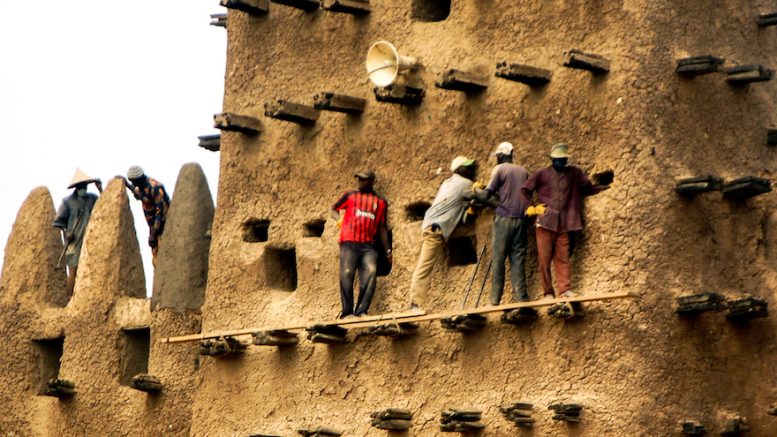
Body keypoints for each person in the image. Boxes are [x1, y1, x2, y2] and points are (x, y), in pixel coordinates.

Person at [521, 143, 610, 299]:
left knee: (563, 257)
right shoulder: (542, 174)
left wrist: (603, 187)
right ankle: (548, 292)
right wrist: (532, 207)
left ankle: (565, 290)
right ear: (552, 159)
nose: (559, 162)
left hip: (564, 224)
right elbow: (524, 191)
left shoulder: (574, 173)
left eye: (562, 159)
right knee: (544, 260)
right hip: (545, 222)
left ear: (566, 160)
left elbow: (587, 187)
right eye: (556, 159)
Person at [409, 156, 491, 311]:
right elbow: (485, 197)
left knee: (476, 228)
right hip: (436, 229)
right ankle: (415, 304)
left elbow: (462, 214)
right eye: (466, 167)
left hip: (441, 225)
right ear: (459, 170)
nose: (470, 170)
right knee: (424, 266)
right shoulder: (464, 183)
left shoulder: (448, 182)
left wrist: (472, 208)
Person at [330, 170, 390, 318]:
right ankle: (347, 313)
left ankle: (361, 311)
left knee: (370, 275)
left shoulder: (380, 202)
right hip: (349, 242)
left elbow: (382, 227)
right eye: (359, 179)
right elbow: (333, 209)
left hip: (369, 245)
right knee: (347, 274)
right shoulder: (350, 196)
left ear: (372, 181)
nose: (360, 182)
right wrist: (339, 221)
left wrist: (388, 250)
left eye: (364, 180)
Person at [484, 142, 530, 306]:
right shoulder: (523, 171)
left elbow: (487, 195)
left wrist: (477, 194)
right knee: (518, 260)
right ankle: (521, 298)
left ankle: (495, 300)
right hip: (521, 220)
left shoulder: (500, 169)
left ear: (501, 156)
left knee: (498, 259)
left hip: (503, 219)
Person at [53, 168, 103, 297]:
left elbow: (106, 205)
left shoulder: (92, 198)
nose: (83, 188)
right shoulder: (67, 202)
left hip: (88, 240)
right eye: (81, 186)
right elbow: (58, 222)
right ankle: (70, 299)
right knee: (73, 269)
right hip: (74, 242)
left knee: (89, 269)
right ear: (76, 187)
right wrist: (67, 231)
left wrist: (100, 188)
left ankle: (85, 297)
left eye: (85, 186)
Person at [121, 166, 170, 267]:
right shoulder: (141, 187)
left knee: (165, 257)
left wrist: (154, 233)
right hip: (154, 228)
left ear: (140, 179)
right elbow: (139, 195)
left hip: (165, 226)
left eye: (134, 182)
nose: (134, 185)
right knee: (156, 260)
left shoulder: (155, 187)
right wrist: (126, 184)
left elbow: (159, 212)